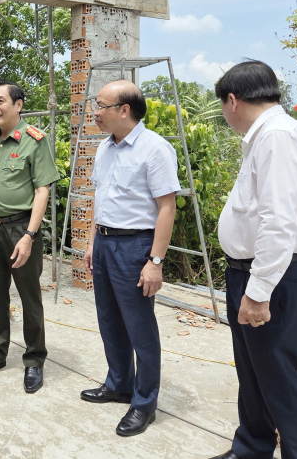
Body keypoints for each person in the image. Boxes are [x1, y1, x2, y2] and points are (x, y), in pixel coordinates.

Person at [208, 61, 297, 459]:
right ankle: (252, 448)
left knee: (279, 378)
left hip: (272, 277)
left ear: (233, 100)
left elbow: (279, 222)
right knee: (253, 374)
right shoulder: (266, 137)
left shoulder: (278, 137)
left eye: (223, 106)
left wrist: (257, 292)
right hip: (252, 273)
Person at [79, 80, 180, 437]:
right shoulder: (105, 148)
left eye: (101, 105)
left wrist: (155, 260)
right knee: (109, 320)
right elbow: (98, 199)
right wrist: (92, 242)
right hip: (105, 244)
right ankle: (118, 383)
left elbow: (166, 208)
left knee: (140, 328)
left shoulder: (155, 149)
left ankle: (143, 402)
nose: (95, 112)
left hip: (136, 247)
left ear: (124, 110)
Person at [0, 80, 60, 394]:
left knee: (29, 296)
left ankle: (34, 359)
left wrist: (30, 236)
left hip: (20, 229)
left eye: (0, 102)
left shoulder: (34, 140)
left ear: (18, 105)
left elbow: (42, 190)